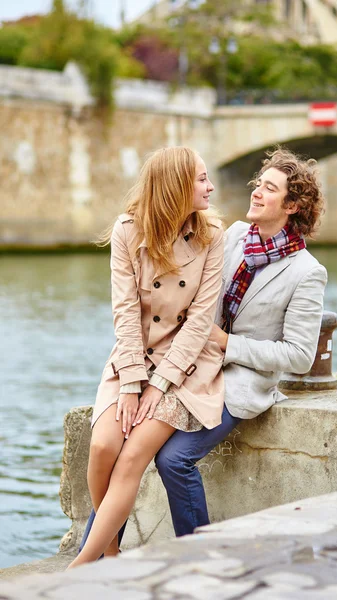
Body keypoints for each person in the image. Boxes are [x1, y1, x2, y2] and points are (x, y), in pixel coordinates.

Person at [79, 146, 327, 548]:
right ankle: (99, 553)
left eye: (269, 188)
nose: (256, 192)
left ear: (293, 205)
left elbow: (299, 356)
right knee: (117, 440)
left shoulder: (307, 272)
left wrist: (229, 344)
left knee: (172, 459)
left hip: (239, 378)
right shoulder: (231, 236)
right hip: (189, 358)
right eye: (257, 184)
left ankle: (198, 556)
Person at [67, 146, 225, 568]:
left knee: (133, 456)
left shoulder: (211, 234)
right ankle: (112, 550)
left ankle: (80, 565)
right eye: (202, 179)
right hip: (132, 355)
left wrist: (159, 384)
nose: (211, 188)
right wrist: (133, 382)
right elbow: (123, 313)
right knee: (102, 446)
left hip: (185, 365)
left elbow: (198, 322)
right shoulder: (127, 231)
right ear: (175, 186)